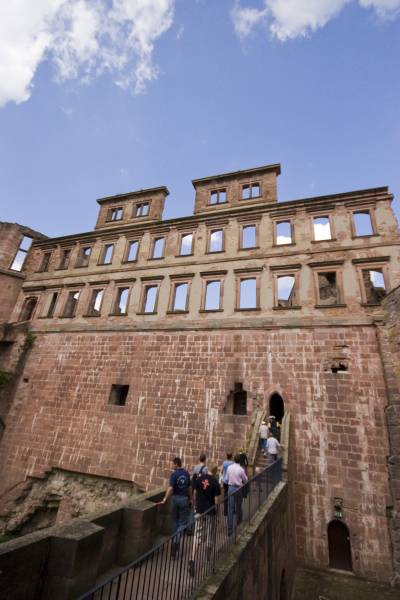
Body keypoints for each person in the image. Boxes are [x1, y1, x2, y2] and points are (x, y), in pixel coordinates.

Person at [189, 465, 221, 576]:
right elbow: (217, 500)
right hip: (210, 512)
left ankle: (192, 559)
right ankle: (208, 560)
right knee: (209, 535)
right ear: (215, 471)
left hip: (199, 511)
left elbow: (194, 492)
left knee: (197, 536)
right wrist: (217, 511)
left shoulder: (199, 479)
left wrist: (194, 504)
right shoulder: (215, 482)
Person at [159, 456, 192, 557]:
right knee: (182, 522)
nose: (171, 465)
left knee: (174, 521)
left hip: (175, 499)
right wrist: (190, 498)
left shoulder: (174, 474)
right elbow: (189, 488)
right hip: (183, 499)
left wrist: (165, 498)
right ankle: (176, 542)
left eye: (172, 464)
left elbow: (170, 488)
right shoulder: (186, 473)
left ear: (176, 464)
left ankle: (174, 541)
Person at [226, 453, 248, 536]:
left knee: (230, 508)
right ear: (240, 460)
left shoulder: (229, 467)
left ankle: (230, 528)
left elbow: (227, 478)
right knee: (239, 506)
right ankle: (239, 523)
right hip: (238, 488)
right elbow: (245, 480)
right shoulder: (241, 469)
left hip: (230, 488)